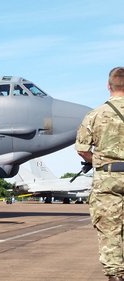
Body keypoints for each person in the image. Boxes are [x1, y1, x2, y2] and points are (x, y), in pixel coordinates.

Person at [76, 67, 124, 281]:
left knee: (110, 230)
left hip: (107, 179)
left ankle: (116, 275)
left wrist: (99, 161)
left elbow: (82, 149)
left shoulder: (94, 115)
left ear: (108, 86)